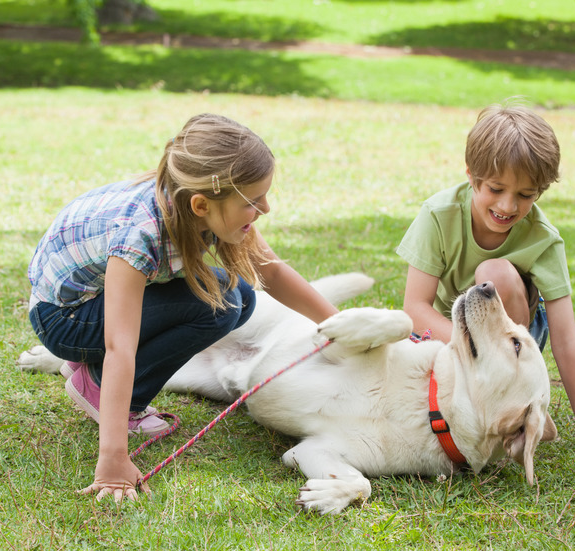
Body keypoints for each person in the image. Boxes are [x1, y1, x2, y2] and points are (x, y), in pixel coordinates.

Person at [26, 113, 340, 503]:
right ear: (201, 204)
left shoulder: (195, 206)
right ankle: (98, 384)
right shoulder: (139, 236)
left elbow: (270, 271)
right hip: (64, 319)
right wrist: (113, 461)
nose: (266, 209)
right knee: (220, 300)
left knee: (236, 296)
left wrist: (343, 325)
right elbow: (119, 346)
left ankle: (90, 373)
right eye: (253, 201)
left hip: (92, 301)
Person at [396, 99, 575, 463]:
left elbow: (565, 336)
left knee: (493, 274)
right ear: (471, 175)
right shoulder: (438, 215)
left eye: (525, 195)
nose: (508, 206)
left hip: (516, 339)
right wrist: (470, 351)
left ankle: (507, 385)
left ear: (540, 192)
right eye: (496, 189)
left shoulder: (543, 238)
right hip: (454, 332)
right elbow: (415, 307)